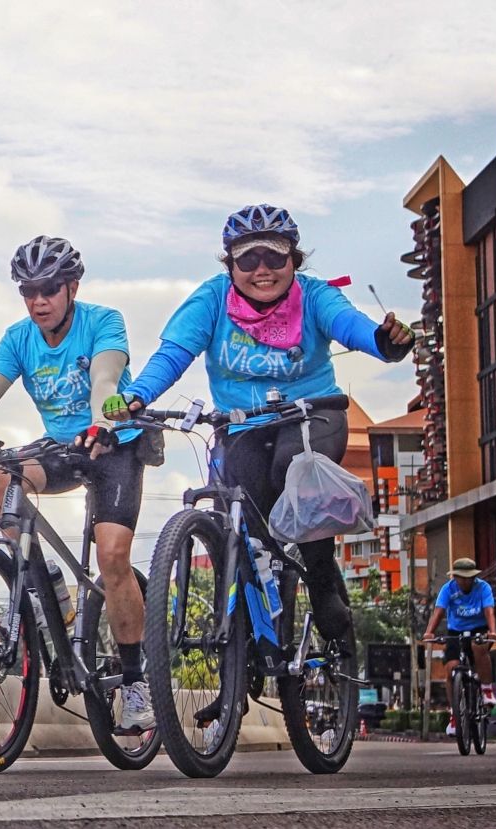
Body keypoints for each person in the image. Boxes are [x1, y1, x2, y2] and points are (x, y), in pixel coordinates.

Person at [104, 203, 414, 647]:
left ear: (295, 261)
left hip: (314, 414)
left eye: (275, 257)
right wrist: (138, 396)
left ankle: (324, 584)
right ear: (230, 265)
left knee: (292, 468)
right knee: (242, 519)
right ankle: (244, 650)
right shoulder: (211, 299)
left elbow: (355, 328)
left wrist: (386, 341)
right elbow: (173, 355)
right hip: (241, 425)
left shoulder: (315, 296)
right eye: (248, 260)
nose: (262, 270)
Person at [0, 235, 154, 734]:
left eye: (48, 290)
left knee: (111, 557)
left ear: (72, 287)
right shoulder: (18, 337)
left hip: (113, 443)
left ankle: (134, 683)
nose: (38, 301)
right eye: (29, 291)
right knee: (7, 475)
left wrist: (100, 421)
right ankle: (43, 590)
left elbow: (106, 380)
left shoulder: (103, 321)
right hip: (62, 446)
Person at [422, 557, 496, 736]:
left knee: (479, 648)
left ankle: (487, 689)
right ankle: (455, 714)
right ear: (455, 577)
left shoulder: (483, 588)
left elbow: (489, 611)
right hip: (455, 631)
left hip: (478, 629)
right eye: (461, 578)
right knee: (451, 668)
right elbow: (438, 612)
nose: (465, 581)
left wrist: (492, 632)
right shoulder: (448, 589)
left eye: (469, 577)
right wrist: (429, 632)